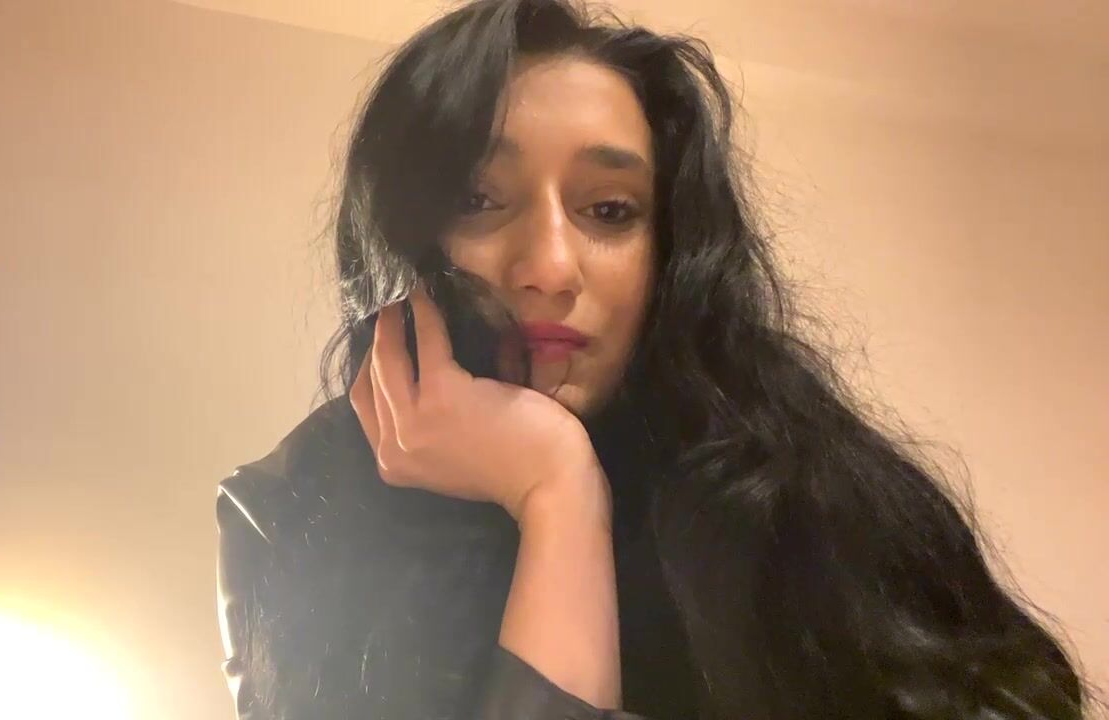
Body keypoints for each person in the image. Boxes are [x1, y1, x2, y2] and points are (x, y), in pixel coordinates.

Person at [215, 1, 1093, 718]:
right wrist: (558, 495)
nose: (549, 267)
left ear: (669, 250)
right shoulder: (292, 510)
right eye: (479, 198)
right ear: (404, 232)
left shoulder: (804, 492)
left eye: (609, 210)